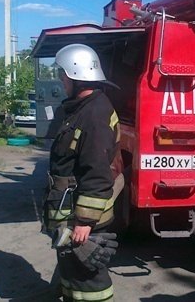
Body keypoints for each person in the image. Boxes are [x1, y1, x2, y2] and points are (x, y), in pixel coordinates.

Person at [42, 44, 120, 302]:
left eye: (63, 76)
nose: (61, 81)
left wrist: (85, 221)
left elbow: (97, 171)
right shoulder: (82, 106)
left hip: (82, 217)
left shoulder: (94, 115)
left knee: (88, 280)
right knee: (72, 274)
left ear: (75, 76)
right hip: (70, 211)